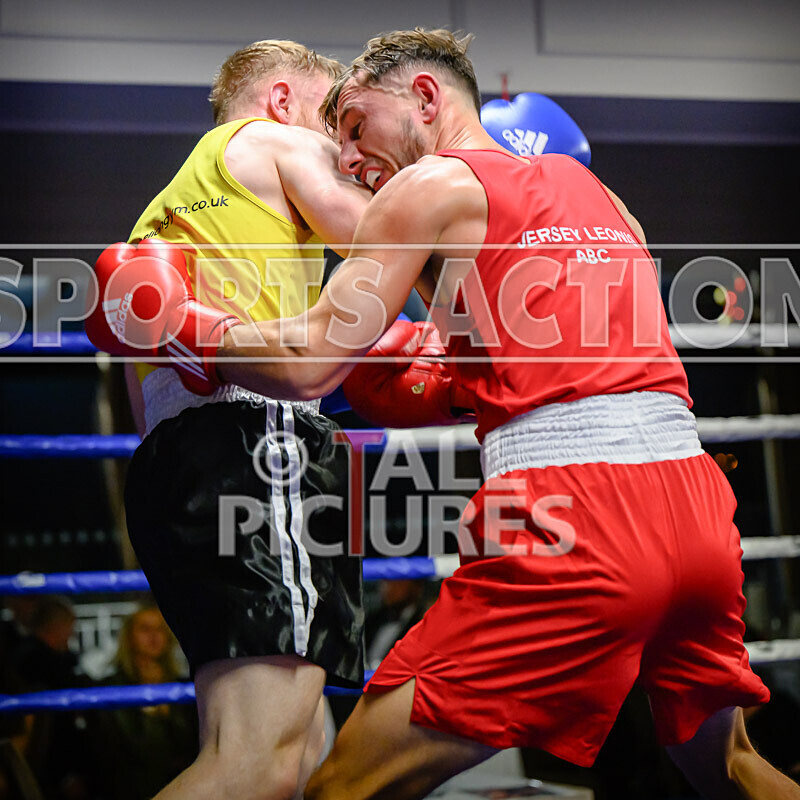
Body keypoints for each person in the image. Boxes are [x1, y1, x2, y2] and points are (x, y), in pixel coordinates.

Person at [207, 29, 799, 800]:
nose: (348, 158)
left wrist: (187, 330)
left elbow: (314, 361)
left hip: (576, 525)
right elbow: (569, 360)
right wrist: (452, 376)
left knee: (342, 787)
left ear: (425, 96)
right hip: (697, 518)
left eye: (354, 126)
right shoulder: (608, 200)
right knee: (731, 770)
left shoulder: (424, 191)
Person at [87, 39, 377, 800]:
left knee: (307, 750)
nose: (346, 150)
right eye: (335, 123)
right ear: (283, 102)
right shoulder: (276, 141)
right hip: (254, 445)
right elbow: (386, 238)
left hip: (183, 460)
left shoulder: (165, 214)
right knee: (259, 762)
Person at [91, 606, 197, 799]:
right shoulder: (111, 689)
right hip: (128, 788)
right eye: (145, 629)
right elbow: (116, 752)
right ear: (129, 637)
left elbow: (190, 747)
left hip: (181, 787)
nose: (154, 636)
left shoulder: (185, 688)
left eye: (160, 629)